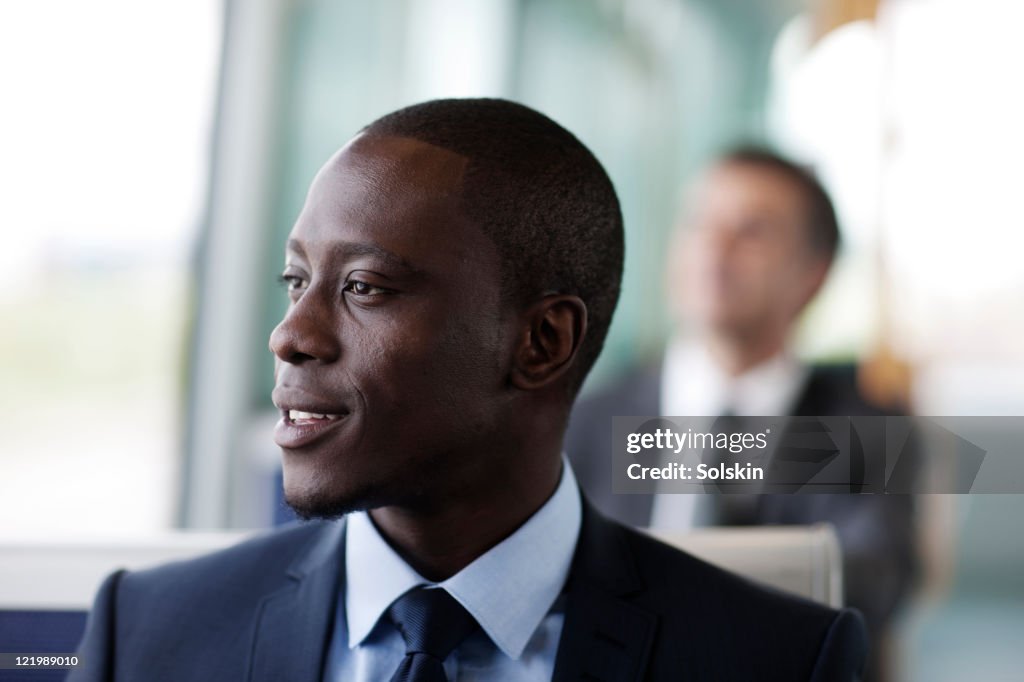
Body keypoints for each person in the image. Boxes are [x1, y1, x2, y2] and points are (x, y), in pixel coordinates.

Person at [70, 101, 866, 681]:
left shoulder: (855, 440)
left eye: (366, 287)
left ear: (544, 342)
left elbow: (883, 563)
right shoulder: (145, 636)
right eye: (294, 281)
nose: (289, 335)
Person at [566, 147, 916, 681]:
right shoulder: (587, 417)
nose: (714, 248)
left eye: (751, 231)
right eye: (699, 224)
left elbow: (870, 583)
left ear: (813, 274)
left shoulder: (862, 432)